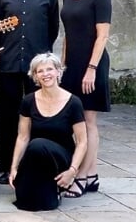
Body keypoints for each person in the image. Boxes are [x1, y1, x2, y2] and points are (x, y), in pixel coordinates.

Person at [0, 0, 59, 183]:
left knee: (39, 114)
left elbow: (52, 29)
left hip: (37, 66)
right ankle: (7, 166)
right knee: (8, 116)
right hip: (8, 63)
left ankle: (36, 162)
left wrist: (41, 53)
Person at [59, 0, 111, 197]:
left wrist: (91, 69)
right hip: (72, 65)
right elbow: (68, 35)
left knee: (88, 122)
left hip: (92, 64)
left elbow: (102, 36)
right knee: (75, 121)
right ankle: (91, 175)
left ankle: (83, 176)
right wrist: (63, 64)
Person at [7, 53, 87, 211]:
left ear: (58, 71)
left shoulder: (74, 102)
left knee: (38, 144)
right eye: (40, 71)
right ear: (35, 76)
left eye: (49, 69)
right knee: (26, 200)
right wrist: (14, 168)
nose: (45, 74)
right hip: (35, 157)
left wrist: (72, 171)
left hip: (60, 158)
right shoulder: (28, 101)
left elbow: (82, 141)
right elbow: (23, 137)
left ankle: (55, 186)